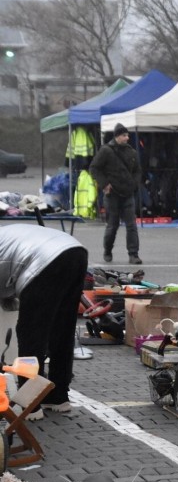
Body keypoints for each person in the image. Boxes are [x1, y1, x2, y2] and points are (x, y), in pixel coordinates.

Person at [0, 225, 88, 419]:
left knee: (31, 333)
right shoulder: (6, 237)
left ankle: (30, 405)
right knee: (62, 329)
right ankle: (58, 397)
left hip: (44, 261)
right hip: (74, 252)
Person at [89, 123, 143, 265]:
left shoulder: (132, 152)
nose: (127, 138)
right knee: (113, 225)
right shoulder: (106, 151)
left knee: (131, 225)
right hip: (112, 194)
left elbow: (138, 171)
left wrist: (134, 183)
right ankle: (107, 250)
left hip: (128, 193)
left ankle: (133, 254)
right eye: (124, 135)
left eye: (127, 135)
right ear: (117, 136)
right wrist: (104, 184)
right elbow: (94, 168)